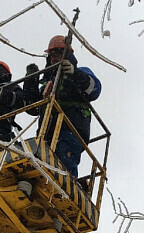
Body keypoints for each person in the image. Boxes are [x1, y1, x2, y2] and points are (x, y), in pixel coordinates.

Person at [23, 35, 101, 178]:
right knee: (39, 162)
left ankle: (66, 187)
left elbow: (94, 90)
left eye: (58, 52)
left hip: (71, 127)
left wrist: (74, 74)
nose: (54, 57)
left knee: (63, 162)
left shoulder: (81, 72)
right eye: (51, 54)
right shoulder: (47, 82)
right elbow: (31, 107)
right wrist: (30, 82)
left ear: (67, 54)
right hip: (46, 131)